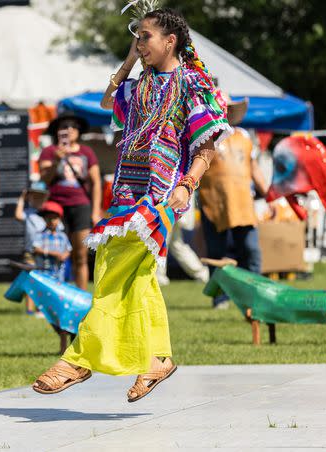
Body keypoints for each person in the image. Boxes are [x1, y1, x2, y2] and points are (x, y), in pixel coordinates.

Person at [33, 7, 230, 402]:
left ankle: (79, 358)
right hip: (126, 191)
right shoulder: (139, 84)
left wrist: (188, 185)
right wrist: (128, 62)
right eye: (137, 37)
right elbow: (109, 101)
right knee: (123, 269)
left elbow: (205, 146)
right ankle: (157, 357)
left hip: (161, 193)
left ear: (170, 41)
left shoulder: (192, 82)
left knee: (117, 270)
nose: (139, 44)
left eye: (145, 37)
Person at [198, 98, 269, 308]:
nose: (224, 112)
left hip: (243, 203)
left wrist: (267, 193)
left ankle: (253, 294)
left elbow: (253, 166)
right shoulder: (204, 135)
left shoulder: (244, 136)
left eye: (226, 109)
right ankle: (220, 298)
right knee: (216, 253)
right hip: (213, 203)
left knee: (250, 250)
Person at [39, 113, 102, 290]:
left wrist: (95, 211)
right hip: (56, 207)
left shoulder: (86, 152)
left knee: (81, 255)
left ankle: (81, 296)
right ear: (57, 132)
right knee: (58, 253)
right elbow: (45, 179)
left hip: (81, 205)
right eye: (64, 126)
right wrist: (56, 161)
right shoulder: (49, 151)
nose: (69, 129)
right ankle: (58, 294)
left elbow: (96, 181)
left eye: (73, 126)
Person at [15, 181, 53, 315]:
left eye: (40, 197)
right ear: (29, 197)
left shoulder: (49, 215)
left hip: (45, 253)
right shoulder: (28, 213)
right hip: (30, 252)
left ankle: (41, 308)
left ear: (46, 198)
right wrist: (21, 198)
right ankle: (29, 309)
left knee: (43, 280)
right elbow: (18, 215)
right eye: (34, 196)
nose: (37, 199)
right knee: (30, 278)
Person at [32, 201, 72, 283]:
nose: (52, 221)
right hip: (44, 270)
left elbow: (68, 249)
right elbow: (35, 249)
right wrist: (51, 253)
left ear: (59, 219)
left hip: (59, 271)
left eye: (54, 218)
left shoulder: (62, 236)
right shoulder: (40, 234)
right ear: (44, 219)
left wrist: (64, 255)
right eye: (49, 218)